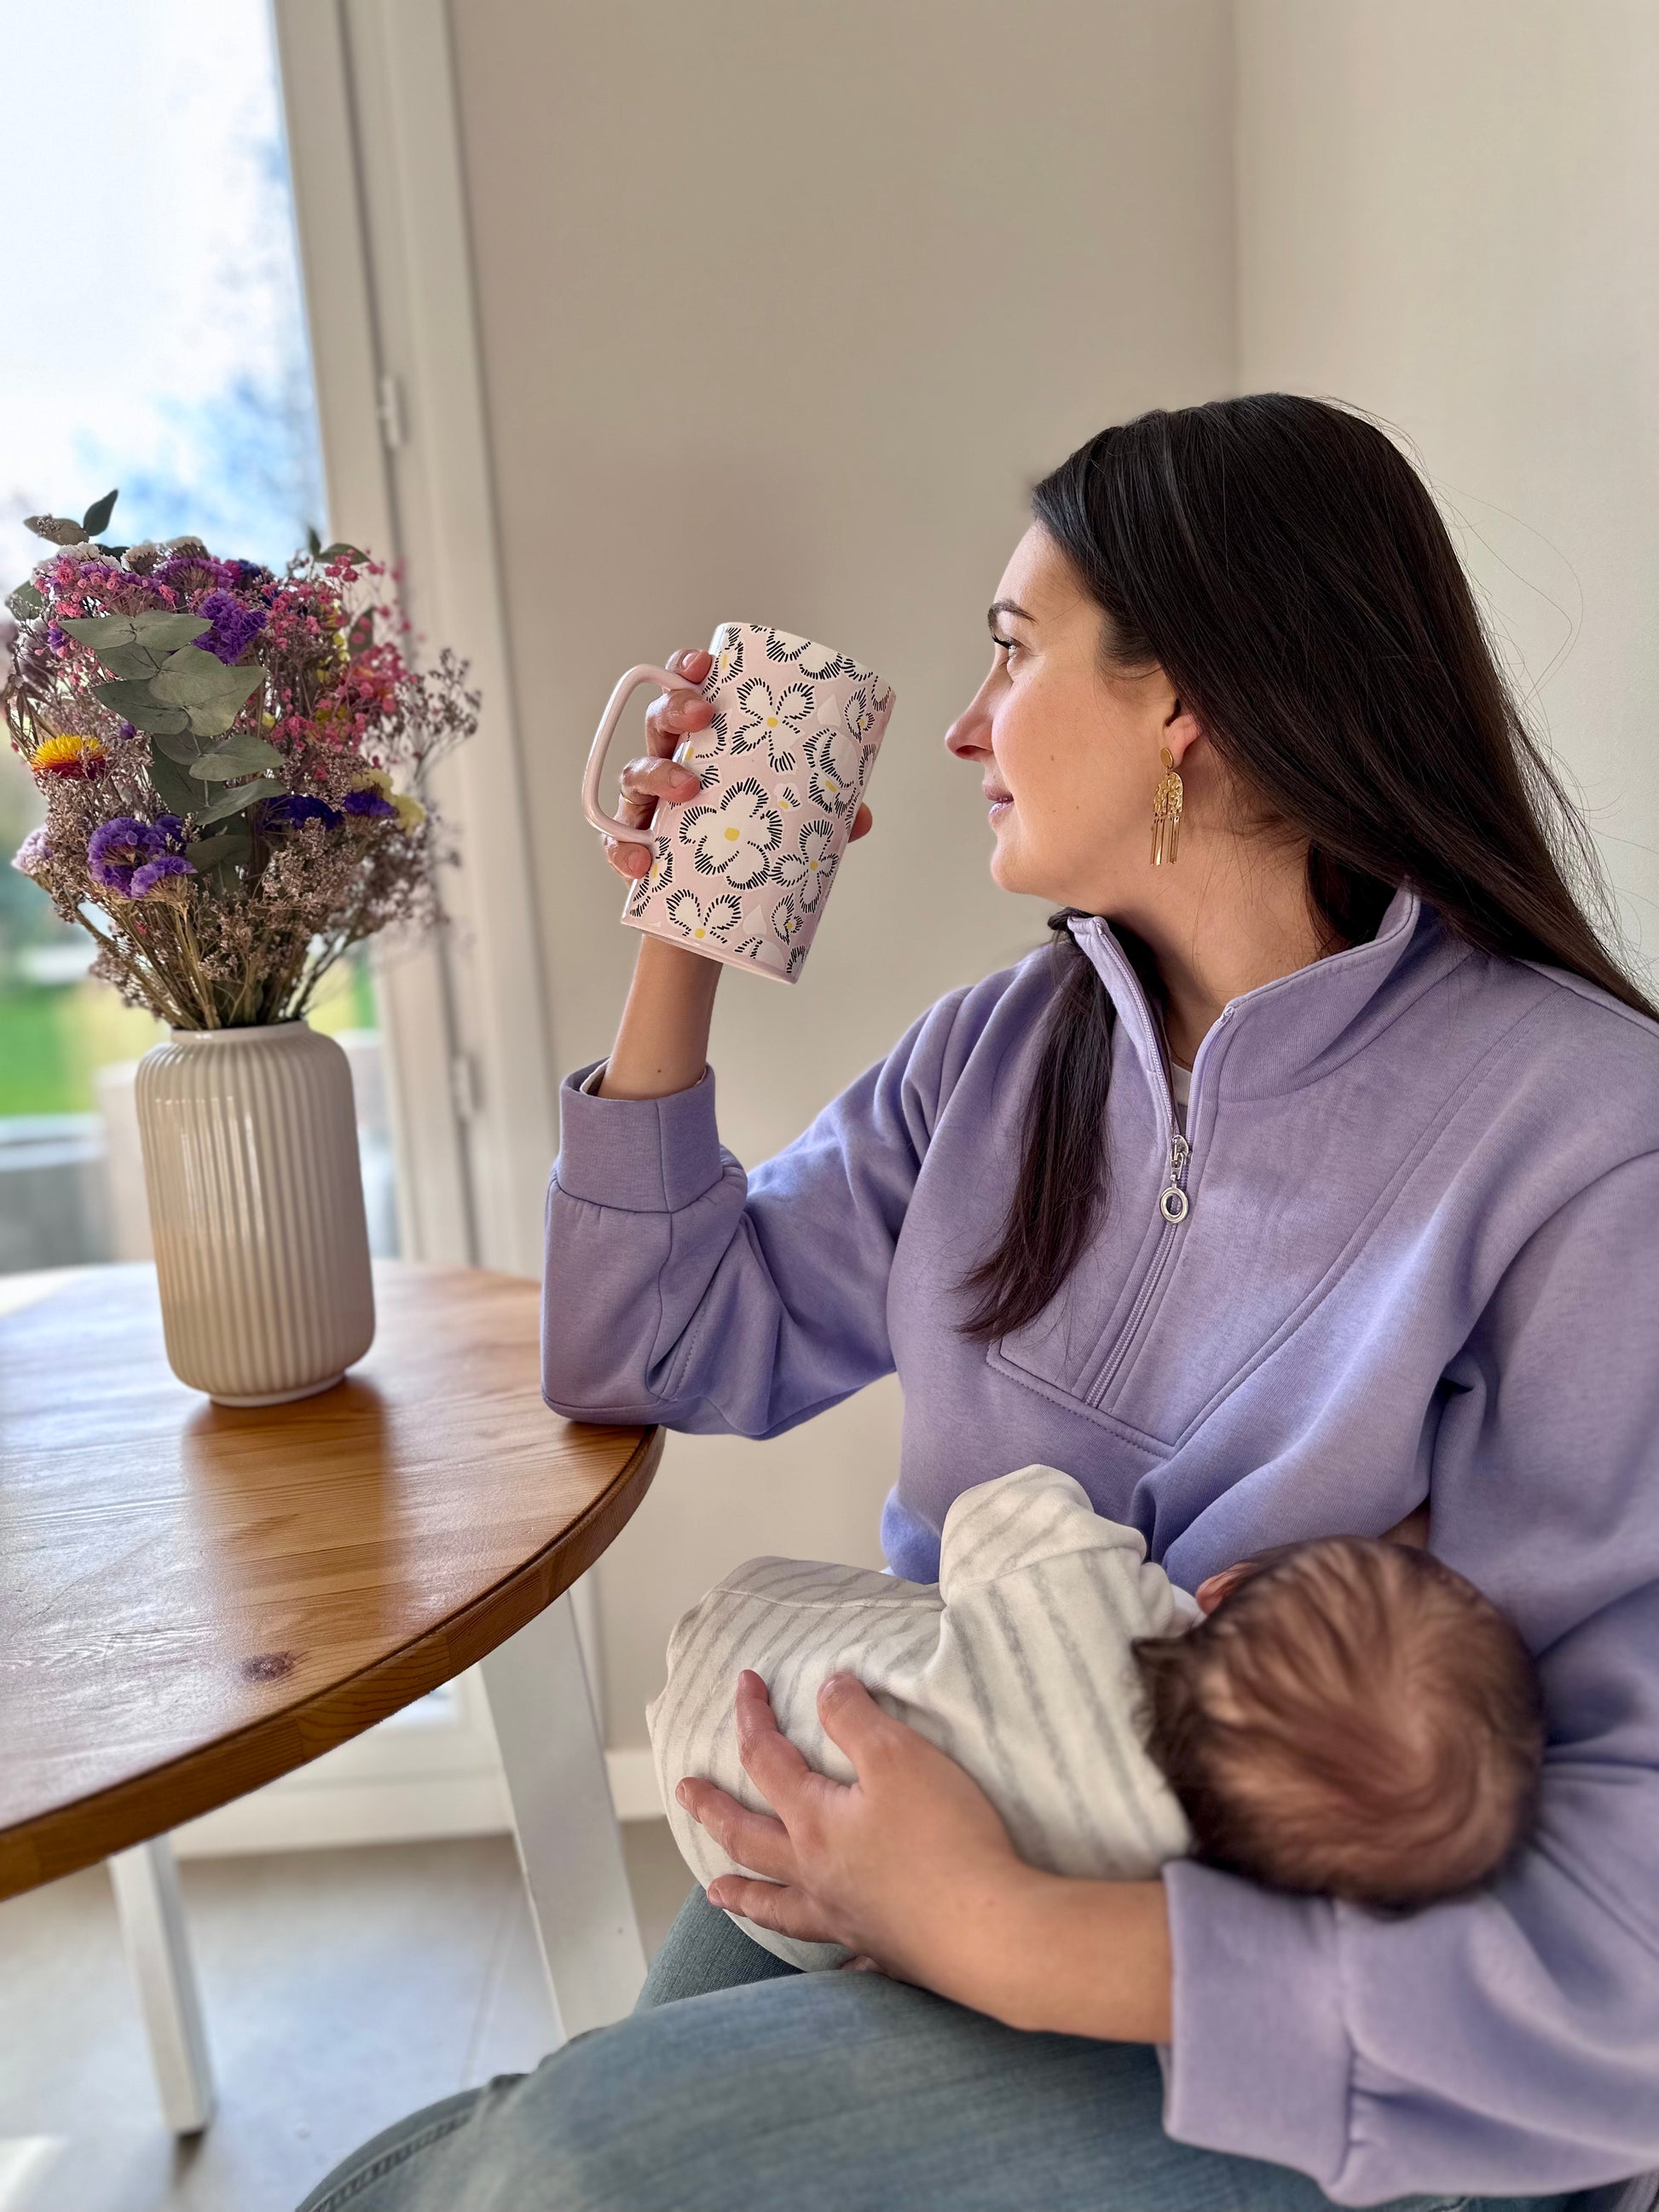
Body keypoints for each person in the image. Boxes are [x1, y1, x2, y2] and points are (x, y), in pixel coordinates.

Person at [298, 396, 1659, 2212]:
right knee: (530, 2136)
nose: (958, 723)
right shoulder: (1001, 1058)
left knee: (575, 2160)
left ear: (1186, 705)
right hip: (966, 1789)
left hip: (1334, 2043)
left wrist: (1012, 1932)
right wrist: (681, 941)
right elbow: (651, 1340)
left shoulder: (1581, 1142)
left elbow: (1625, 1900)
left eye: (1012, 654)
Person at [650, 1464, 1546, 1972]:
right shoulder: (1154, 1883)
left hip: (740, 1676)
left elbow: (997, 1506)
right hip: (795, 1915)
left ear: (1223, 1586)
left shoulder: (1085, 1600)